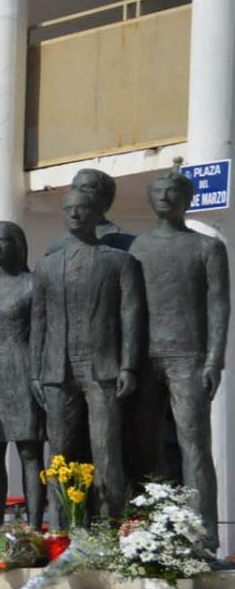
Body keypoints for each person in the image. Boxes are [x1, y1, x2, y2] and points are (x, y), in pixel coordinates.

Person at [129, 166, 229, 549]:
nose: (164, 197)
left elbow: (219, 307)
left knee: (194, 444)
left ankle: (205, 536)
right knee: (147, 444)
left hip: (189, 354)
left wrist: (214, 359)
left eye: (172, 191)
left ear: (186, 198)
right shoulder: (138, 247)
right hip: (145, 355)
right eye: (157, 191)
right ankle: (152, 531)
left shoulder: (207, 247)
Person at [31, 188, 146, 523]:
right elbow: (38, 320)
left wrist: (129, 365)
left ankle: (111, 524)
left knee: (107, 448)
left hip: (103, 366)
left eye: (82, 209)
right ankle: (61, 525)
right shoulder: (47, 266)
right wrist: (36, 372)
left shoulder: (120, 261)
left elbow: (131, 316)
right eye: (68, 209)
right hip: (57, 367)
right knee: (60, 451)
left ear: (98, 214)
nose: (75, 215)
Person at [0, 221, 45, 532]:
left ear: (18, 244)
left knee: (30, 450)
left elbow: (42, 332)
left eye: (3, 241)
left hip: (23, 366)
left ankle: (36, 523)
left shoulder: (32, 283)